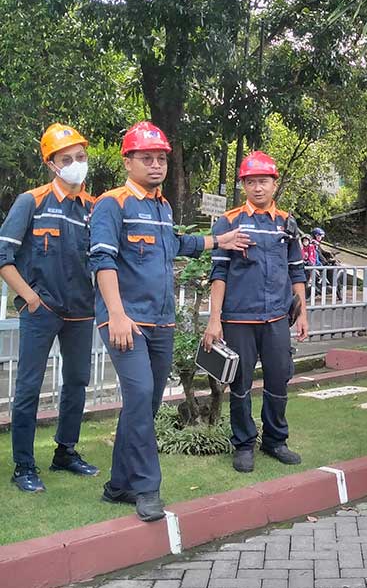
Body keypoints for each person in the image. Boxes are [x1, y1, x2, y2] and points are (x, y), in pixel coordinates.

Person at [89, 121, 250, 521]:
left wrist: (219, 241)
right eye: (147, 157)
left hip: (162, 323)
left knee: (143, 402)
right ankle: (147, 488)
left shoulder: (162, 206)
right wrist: (117, 314)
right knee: (142, 396)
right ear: (128, 161)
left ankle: (118, 485)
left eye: (161, 158)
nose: (156, 164)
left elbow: (178, 243)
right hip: (126, 322)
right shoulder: (113, 203)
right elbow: (102, 260)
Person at [0, 124, 98, 493]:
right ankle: (23, 465)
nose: (76, 164)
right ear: (52, 165)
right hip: (42, 311)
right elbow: (3, 255)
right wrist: (30, 297)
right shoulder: (32, 201)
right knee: (27, 387)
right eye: (67, 158)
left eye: (81, 157)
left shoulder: (93, 208)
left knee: (77, 382)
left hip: (81, 312)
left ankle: (66, 452)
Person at [202, 151, 309, 474]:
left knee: (279, 378)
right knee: (240, 384)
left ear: (274, 184)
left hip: (277, 317)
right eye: (251, 182)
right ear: (243, 185)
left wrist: (302, 314)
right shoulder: (229, 222)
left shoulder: (286, 223)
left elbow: (297, 271)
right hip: (238, 319)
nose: (258, 188)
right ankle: (244, 443)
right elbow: (218, 273)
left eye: (263, 181)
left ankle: (275, 440)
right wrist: (214, 318)